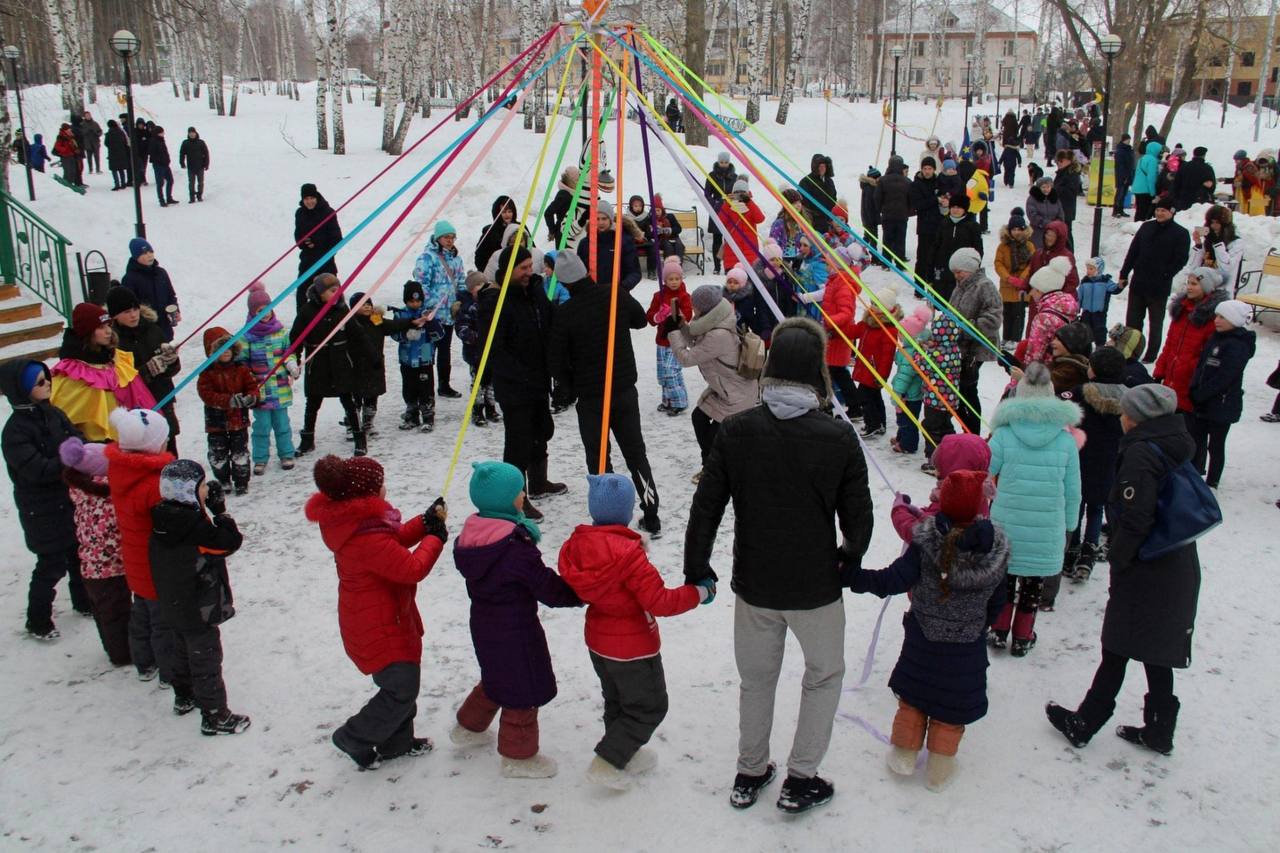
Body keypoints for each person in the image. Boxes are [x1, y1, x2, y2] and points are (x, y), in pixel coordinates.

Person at [684, 317, 874, 814]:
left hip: (756, 583)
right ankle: (801, 776)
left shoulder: (738, 430)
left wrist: (696, 567)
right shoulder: (837, 436)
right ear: (817, 369)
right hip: (815, 585)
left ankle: (751, 770)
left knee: (757, 679)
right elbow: (860, 518)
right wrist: (850, 561)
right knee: (824, 674)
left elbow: (707, 506)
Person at [1045, 383, 1201, 756]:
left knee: (1117, 643)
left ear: (1139, 418)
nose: (1122, 418)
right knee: (1154, 646)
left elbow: (1135, 519)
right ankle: (1160, 729)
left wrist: (1119, 558)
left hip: (1148, 564)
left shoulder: (1141, 454)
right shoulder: (1174, 441)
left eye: (1126, 412)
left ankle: (1086, 721)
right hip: (1176, 559)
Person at [847, 469, 1008, 792]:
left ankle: (904, 755)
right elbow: (999, 600)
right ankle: (940, 767)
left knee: (914, 699)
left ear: (942, 504)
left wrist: (851, 576)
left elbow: (891, 580)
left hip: (922, 637)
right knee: (952, 710)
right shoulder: (996, 551)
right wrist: (979, 625)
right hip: (966, 645)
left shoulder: (925, 542)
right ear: (980, 508)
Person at [558, 473, 710, 789]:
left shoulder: (577, 546)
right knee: (650, 706)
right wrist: (699, 593)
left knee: (618, 701)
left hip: (598, 641)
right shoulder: (629, 555)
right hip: (632, 647)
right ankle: (609, 760)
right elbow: (660, 601)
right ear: (628, 512)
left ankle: (624, 752)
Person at [308, 454, 447, 767]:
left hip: (379, 617)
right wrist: (435, 539)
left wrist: (424, 523)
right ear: (367, 493)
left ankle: (396, 743)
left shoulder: (359, 524)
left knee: (401, 685)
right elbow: (411, 568)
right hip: (380, 625)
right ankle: (353, 736)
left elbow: (392, 539)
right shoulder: (364, 536)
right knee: (401, 688)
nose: (386, 487)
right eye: (381, 483)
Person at [451, 460, 582, 779]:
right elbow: (545, 586)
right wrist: (579, 593)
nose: (524, 495)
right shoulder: (512, 547)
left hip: (483, 623)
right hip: (516, 629)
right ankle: (518, 756)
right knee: (523, 687)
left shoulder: (474, 537)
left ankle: (469, 725)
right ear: (506, 500)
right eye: (519, 491)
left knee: (496, 675)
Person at [549, 251, 662, 536]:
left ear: (563, 282)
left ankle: (608, 518)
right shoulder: (614, 294)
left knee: (599, 458)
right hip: (623, 390)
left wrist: (570, 387)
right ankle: (651, 514)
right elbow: (639, 320)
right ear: (586, 270)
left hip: (591, 398)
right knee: (636, 453)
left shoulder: (565, 314)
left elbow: (556, 362)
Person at [987, 362, 1081, 656]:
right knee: (1033, 582)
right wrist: (1069, 523)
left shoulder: (1003, 436)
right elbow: (1072, 488)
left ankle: (999, 629)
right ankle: (1024, 635)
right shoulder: (1066, 442)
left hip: (1006, 522)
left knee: (1004, 578)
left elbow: (985, 473)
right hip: (1046, 525)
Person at [150, 459, 250, 735]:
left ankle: (184, 696)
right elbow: (229, 542)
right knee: (206, 661)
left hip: (172, 602)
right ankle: (216, 716)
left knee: (180, 652)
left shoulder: (161, 519)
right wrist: (220, 513)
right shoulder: (195, 528)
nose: (206, 489)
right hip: (199, 607)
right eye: (202, 485)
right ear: (188, 492)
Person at [1, 360, 90, 640]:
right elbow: (35, 469)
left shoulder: (53, 413)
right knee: (51, 564)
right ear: (23, 390)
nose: (48, 385)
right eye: (40, 382)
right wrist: (67, 461)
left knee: (79, 554)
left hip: (69, 498)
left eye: (47, 379)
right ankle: (38, 619)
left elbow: (74, 435)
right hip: (41, 509)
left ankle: (84, 600)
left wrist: (79, 448)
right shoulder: (15, 431)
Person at [478, 245, 562, 521]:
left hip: (538, 379)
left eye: (530, 266)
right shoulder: (495, 301)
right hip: (514, 385)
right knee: (518, 442)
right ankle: (518, 496)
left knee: (542, 430)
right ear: (508, 270)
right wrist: (520, 375)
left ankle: (539, 482)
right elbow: (494, 350)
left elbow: (552, 320)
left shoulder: (535, 290)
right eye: (523, 268)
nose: (529, 272)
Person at [104, 407, 176, 682]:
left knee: (142, 613)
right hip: (156, 563)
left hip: (135, 560)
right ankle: (170, 673)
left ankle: (144, 663)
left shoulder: (120, 469)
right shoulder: (154, 484)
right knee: (163, 622)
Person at [667, 285, 762, 471]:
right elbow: (695, 338)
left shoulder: (718, 334)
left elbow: (686, 358)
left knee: (714, 437)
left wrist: (673, 333)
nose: (693, 309)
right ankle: (710, 465)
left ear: (704, 308)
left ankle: (714, 469)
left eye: (695, 306)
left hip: (736, 395)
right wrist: (681, 326)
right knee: (698, 418)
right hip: (725, 387)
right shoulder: (713, 321)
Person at [58, 438, 130, 664]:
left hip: (90, 566)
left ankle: (113, 648)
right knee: (117, 614)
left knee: (104, 613)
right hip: (111, 568)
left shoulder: (81, 493)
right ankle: (122, 654)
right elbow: (117, 533)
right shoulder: (106, 498)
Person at [1061, 346, 1127, 582]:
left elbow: (1062, 408)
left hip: (1081, 460)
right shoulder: (1128, 398)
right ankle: (1089, 548)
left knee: (1076, 505)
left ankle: (1072, 547)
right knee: (1097, 506)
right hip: (1109, 463)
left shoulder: (1079, 393)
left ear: (1095, 370)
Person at [50, 304, 157, 441]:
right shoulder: (73, 372)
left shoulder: (115, 359)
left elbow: (135, 393)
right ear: (87, 332)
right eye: (101, 327)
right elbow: (65, 418)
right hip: (96, 449)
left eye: (108, 325)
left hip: (128, 440)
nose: (108, 331)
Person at [291, 273, 367, 456]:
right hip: (317, 365)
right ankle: (307, 440)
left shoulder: (342, 309)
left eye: (337, 290)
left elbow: (357, 334)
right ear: (320, 292)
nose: (336, 293)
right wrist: (294, 359)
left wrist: (368, 357)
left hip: (340, 364)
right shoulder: (307, 311)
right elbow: (296, 338)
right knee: (313, 403)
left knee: (348, 401)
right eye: (331, 290)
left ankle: (359, 439)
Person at [1185, 299, 1256, 488]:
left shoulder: (1237, 345)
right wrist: (1194, 388)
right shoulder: (1216, 337)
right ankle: (1192, 476)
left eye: (1222, 317)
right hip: (1203, 402)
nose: (1217, 320)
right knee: (1196, 440)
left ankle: (1212, 482)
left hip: (1222, 404)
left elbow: (1225, 376)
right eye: (1217, 315)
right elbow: (1202, 367)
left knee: (1215, 445)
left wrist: (1202, 393)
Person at [107, 285, 181, 449]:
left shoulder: (154, 330)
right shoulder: (113, 341)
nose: (133, 315)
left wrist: (171, 361)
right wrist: (148, 370)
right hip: (136, 411)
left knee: (169, 451)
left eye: (135, 309)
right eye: (126, 312)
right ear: (115, 316)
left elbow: (172, 371)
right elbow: (118, 380)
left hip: (162, 399)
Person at [1119, 196, 1190, 363]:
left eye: (1163, 210)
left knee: (1155, 323)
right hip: (1139, 282)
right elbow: (1133, 252)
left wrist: (1166, 274)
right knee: (1133, 320)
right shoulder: (1146, 227)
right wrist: (1124, 273)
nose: (1159, 213)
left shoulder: (1180, 233)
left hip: (1159, 286)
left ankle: (1151, 354)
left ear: (1172, 212)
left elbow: (1181, 259)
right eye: (1158, 210)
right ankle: (1131, 351)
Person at [1152, 266, 1229, 415]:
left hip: (1190, 382)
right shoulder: (1181, 309)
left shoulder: (1213, 317)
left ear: (1206, 287)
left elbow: (1207, 354)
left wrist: (1188, 370)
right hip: (1171, 380)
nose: (1189, 287)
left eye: (1194, 284)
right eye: (1188, 283)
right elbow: (1170, 344)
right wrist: (1160, 370)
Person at [242, 282, 298, 473]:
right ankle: (260, 458)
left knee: (282, 424)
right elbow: (243, 362)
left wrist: (291, 364)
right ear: (252, 312)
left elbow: (288, 352)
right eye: (259, 310)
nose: (265, 313)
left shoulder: (281, 332)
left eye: (267, 309)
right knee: (262, 427)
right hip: (260, 391)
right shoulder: (246, 336)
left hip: (280, 387)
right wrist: (248, 378)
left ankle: (286, 454)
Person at [196, 327, 258, 496]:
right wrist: (227, 401)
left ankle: (241, 481)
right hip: (216, 421)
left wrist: (252, 397)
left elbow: (252, 386)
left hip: (239, 419)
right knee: (218, 454)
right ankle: (223, 480)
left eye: (228, 347)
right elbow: (206, 394)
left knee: (240, 452)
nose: (226, 352)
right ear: (212, 352)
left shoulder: (241, 369)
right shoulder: (207, 373)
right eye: (220, 349)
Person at [947, 248, 1002, 433]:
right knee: (962, 390)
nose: (956, 275)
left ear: (970, 268)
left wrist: (967, 327)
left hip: (975, 349)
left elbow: (993, 318)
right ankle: (967, 431)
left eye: (959, 271)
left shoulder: (985, 286)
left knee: (968, 389)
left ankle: (972, 433)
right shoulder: (960, 286)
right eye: (954, 272)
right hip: (961, 346)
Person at [413, 220, 465, 399]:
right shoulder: (426, 258)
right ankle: (425, 385)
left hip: (449, 314)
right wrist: (432, 304)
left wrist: (460, 300)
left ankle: (444, 384)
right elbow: (421, 284)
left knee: (445, 350)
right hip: (431, 315)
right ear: (438, 238)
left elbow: (461, 281)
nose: (450, 241)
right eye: (446, 237)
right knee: (427, 350)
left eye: (452, 237)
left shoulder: (457, 259)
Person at [851, 289, 903, 437]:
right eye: (872, 303)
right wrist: (836, 330)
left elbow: (887, 356)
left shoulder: (889, 329)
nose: (872, 306)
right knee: (874, 397)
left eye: (876, 304)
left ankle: (872, 424)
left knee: (865, 397)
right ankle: (880, 424)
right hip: (865, 368)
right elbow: (855, 331)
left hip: (874, 372)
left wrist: (881, 375)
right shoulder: (869, 321)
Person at [646, 256, 693, 416]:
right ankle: (668, 400)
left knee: (670, 370)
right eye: (670, 279)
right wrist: (658, 316)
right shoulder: (658, 296)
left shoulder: (684, 296)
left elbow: (688, 314)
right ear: (664, 280)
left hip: (677, 340)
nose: (674, 282)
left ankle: (680, 402)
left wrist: (676, 314)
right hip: (662, 340)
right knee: (662, 374)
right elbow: (650, 316)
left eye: (677, 278)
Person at [455, 271, 501, 427]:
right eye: (478, 288)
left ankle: (491, 407)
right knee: (478, 382)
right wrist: (478, 338)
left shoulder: (489, 302)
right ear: (471, 290)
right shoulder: (467, 307)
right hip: (475, 353)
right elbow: (462, 328)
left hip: (491, 352)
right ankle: (477, 409)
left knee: (490, 382)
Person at [919, 313, 963, 472]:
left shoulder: (935, 353)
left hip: (935, 400)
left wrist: (919, 352)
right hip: (950, 400)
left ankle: (934, 461)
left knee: (930, 428)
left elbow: (922, 367)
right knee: (945, 428)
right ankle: (952, 456)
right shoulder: (955, 349)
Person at [120, 239, 181, 343]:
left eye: (151, 251)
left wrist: (175, 310)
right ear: (135, 256)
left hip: (165, 330)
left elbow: (171, 295)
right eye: (144, 253)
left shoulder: (161, 273)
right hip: (145, 333)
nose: (149, 255)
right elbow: (130, 307)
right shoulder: (129, 278)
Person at [890, 306, 932, 455]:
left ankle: (908, 445)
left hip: (908, 394)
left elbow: (904, 376)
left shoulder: (911, 354)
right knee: (905, 418)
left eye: (902, 333)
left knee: (906, 420)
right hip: (913, 393)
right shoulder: (913, 350)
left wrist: (898, 392)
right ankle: (902, 438)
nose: (899, 335)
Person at [575, 201, 643, 293]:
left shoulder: (623, 241)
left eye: (604, 218)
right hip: (592, 294)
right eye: (597, 219)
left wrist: (623, 287)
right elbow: (579, 271)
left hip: (617, 294)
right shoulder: (585, 243)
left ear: (611, 219)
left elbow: (634, 272)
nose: (600, 222)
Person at [1022, 256, 1079, 364]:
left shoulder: (1043, 318)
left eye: (1035, 289)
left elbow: (1034, 354)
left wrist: (1020, 376)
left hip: (1045, 373)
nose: (1031, 293)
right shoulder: (1068, 308)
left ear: (1042, 289)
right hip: (1063, 369)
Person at [294, 184, 343, 308]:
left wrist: (318, 242)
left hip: (325, 259)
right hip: (307, 259)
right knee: (302, 293)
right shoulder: (300, 213)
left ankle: (336, 320)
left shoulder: (328, 212)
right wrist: (304, 242)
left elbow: (337, 238)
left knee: (331, 293)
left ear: (316, 197)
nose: (309, 201)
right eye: (306, 199)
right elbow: (298, 234)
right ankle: (303, 322)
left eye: (312, 198)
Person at [930, 193, 983, 301]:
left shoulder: (972, 226)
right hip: (943, 268)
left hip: (963, 271)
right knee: (942, 299)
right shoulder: (944, 223)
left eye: (959, 207)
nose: (955, 210)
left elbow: (978, 250)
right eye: (953, 207)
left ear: (965, 209)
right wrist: (931, 265)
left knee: (960, 300)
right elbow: (936, 245)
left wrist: (973, 267)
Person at [995, 210, 1036, 345]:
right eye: (1014, 229)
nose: (1017, 232)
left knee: (1019, 313)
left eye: (1019, 229)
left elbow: (1032, 264)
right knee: (1007, 313)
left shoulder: (1029, 246)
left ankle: (1016, 338)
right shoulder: (1003, 246)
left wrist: (1023, 279)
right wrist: (1008, 277)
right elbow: (998, 263)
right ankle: (1006, 336)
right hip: (1007, 285)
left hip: (1022, 286)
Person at [1189, 205, 1244, 292]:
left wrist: (1218, 244)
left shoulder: (1236, 242)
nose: (1214, 226)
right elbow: (1192, 268)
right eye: (1211, 222)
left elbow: (1226, 268)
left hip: (1222, 288)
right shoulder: (1208, 242)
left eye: (1217, 223)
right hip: (1203, 287)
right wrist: (1198, 245)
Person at [717, 179, 766, 274]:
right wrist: (727, 203)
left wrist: (749, 202)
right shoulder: (728, 205)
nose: (739, 195)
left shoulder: (750, 205)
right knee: (733, 283)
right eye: (737, 192)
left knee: (751, 284)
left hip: (750, 253)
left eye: (742, 192)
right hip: (732, 252)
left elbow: (760, 219)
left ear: (747, 193)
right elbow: (720, 222)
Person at [704, 153, 738, 274]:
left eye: (726, 162)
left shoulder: (735, 177)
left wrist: (732, 200)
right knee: (717, 239)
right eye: (721, 162)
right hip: (717, 210)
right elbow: (707, 194)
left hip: (730, 210)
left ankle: (729, 264)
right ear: (718, 162)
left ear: (729, 162)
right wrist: (715, 204)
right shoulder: (712, 176)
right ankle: (717, 266)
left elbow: (738, 192)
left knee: (730, 239)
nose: (723, 165)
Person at [876, 156, 913, 266]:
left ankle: (886, 263)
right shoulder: (907, 181)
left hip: (887, 215)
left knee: (887, 239)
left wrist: (880, 209)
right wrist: (907, 211)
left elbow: (877, 198)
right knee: (900, 239)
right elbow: (911, 199)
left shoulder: (882, 180)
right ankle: (899, 262)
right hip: (902, 215)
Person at [1078, 257, 1123, 345]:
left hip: (1100, 313)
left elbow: (1114, 289)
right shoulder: (1084, 282)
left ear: (1099, 269)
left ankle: (1100, 347)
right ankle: (1085, 348)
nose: (1088, 271)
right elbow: (1079, 296)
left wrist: (1120, 286)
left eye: (1091, 269)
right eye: (1087, 268)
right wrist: (1077, 307)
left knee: (1100, 330)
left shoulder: (1105, 281)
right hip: (1086, 312)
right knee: (1085, 330)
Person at [910, 159, 942, 281]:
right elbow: (917, 205)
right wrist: (935, 200)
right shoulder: (916, 184)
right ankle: (919, 287)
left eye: (930, 169)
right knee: (923, 258)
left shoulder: (939, 182)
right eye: (925, 169)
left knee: (936, 257)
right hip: (924, 226)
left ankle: (933, 283)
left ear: (934, 169)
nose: (927, 171)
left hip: (939, 225)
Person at [799, 153, 838, 234]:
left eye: (824, 166)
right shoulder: (806, 181)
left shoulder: (829, 181)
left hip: (829, 221)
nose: (822, 169)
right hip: (814, 223)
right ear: (815, 167)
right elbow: (803, 203)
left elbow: (834, 198)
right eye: (820, 166)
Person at [1052, 150, 1083, 251]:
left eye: (1061, 160)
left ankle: (1069, 255)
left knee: (1066, 234)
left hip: (1066, 209)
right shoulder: (1062, 172)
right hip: (1059, 208)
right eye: (1057, 161)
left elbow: (1071, 191)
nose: (1059, 163)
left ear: (1069, 160)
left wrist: (1055, 190)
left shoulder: (1072, 174)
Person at [1026, 175, 1066, 251]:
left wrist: (1056, 225)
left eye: (1048, 187)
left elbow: (1060, 213)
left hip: (1053, 233)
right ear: (1039, 188)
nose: (1046, 189)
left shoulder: (1055, 198)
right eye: (1043, 187)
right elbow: (1032, 215)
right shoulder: (1032, 199)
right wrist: (1046, 224)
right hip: (1037, 232)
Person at [544, 167, 580, 247]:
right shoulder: (563, 194)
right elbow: (548, 212)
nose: (580, 183)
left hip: (573, 231)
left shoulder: (574, 194)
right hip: (563, 233)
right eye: (577, 180)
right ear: (570, 182)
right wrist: (552, 231)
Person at [1171, 146, 1214, 211]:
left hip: (1183, 199)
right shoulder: (1207, 168)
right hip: (1199, 201)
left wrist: (1176, 197)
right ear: (1204, 155)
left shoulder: (1184, 166)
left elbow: (1176, 184)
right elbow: (1211, 186)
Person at [1130, 141, 1162, 222]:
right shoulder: (1152, 160)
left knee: (1139, 211)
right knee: (1145, 212)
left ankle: (1135, 227)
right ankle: (1141, 229)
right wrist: (1153, 192)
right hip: (1146, 189)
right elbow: (1151, 178)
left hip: (1137, 188)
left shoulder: (1142, 158)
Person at [147, 126, 177, 206]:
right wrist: (160, 161)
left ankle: (169, 198)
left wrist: (167, 160)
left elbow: (165, 152)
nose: (163, 134)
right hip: (158, 165)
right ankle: (161, 200)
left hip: (165, 164)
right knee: (160, 183)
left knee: (170, 180)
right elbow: (152, 154)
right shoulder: (153, 141)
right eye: (161, 132)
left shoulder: (161, 140)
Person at [178, 127, 210, 203]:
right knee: (191, 183)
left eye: (193, 133)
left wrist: (206, 164)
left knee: (200, 182)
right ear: (188, 134)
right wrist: (182, 163)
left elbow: (206, 153)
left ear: (196, 133)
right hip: (190, 167)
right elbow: (182, 154)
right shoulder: (185, 143)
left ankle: (199, 196)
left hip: (200, 166)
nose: (192, 134)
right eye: (190, 133)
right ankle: (192, 197)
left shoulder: (201, 142)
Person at [52, 123, 83, 187]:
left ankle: (70, 184)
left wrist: (76, 150)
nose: (70, 130)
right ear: (65, 130)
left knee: (73, 171)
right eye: (68, 129)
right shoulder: (61, 137)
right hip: (65, 156)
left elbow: (73, 146)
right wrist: (66, 150)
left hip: (71, 156)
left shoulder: (70, 137)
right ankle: (65, 185)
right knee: (68, 171)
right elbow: (57, 147)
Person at [858, 166, 882, 250]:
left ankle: (858, 250)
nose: (880, 179)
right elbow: (869, 206)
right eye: (879, 177)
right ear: (874, 178)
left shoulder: (869, 187)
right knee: (873, 239)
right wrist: (873, 220)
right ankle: (874, 257)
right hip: (870, 219)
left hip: (868, 218)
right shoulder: (870, 189)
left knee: (867, 237)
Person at [1112, 133, 1135, 217]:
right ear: (1124, 140)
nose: (1129, 141)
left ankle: (1121, 210)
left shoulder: (1128, 149)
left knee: (1124, 193)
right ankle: (1115, 210)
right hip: (1122, 175)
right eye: (1128, 139)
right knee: (1120, 192)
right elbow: (1120, 165)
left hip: (1127, 174)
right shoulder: (1121, 150)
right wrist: (1124, 176)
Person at [105, 120, 130, 189]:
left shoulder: (109, 133)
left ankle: (117, 184)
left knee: (114, 169)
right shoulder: (121, 132)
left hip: (113, 153)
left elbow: (106, 143)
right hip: (122, 153)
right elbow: (125, 142)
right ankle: (123, 183)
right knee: (121, 169)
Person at [131, 118, 150, 185]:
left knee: (143, 167)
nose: (141, 126)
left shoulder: (146, 132)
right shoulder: (134, 132)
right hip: (137, 153)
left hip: (144, 153)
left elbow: (148, 141)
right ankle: (141, 180)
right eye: (139, 124)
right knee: (140, 167)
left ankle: (142, 179)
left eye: (142, 124)